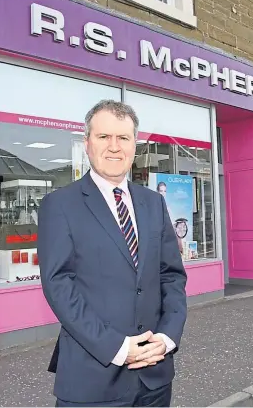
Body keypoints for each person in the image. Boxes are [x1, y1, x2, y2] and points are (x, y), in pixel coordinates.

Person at [38, 100, 188, 407]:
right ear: (87, 144)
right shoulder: (60, 205)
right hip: (92, 380)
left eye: (123, 138)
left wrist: (167, 337)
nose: (114, 147)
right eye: (104, 137)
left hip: (154, 375)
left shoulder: (153, 203)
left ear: (135, 145)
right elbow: (59, 286)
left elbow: (171, 276)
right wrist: (118, 347)